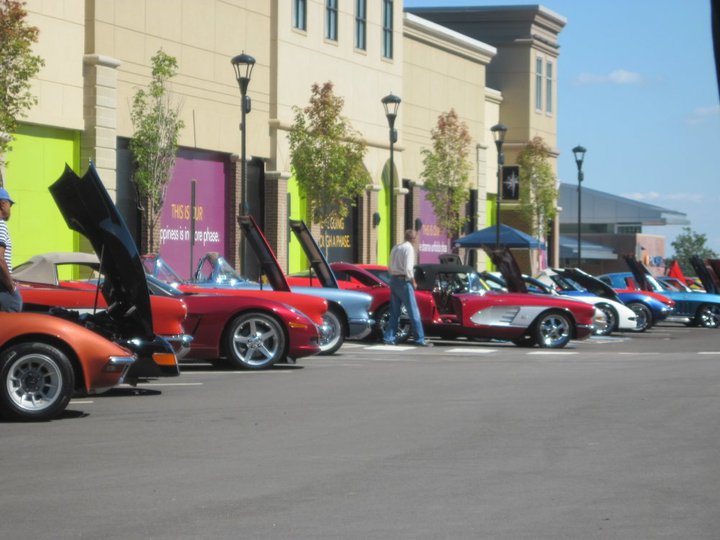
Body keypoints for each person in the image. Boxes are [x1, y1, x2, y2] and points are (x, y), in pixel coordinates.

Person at [384, 229, 432, 347]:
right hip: (403, 281)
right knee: (413, 311)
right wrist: (413, 281)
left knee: (395, 312)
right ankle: (419, 339)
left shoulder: (396, 247)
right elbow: (408, 269)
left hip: (394, 279)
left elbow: (389, 266)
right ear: (413, 239)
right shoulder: (409, 248)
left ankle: (389, 337)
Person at [0, 187, 22, 312]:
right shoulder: (1, 225)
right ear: (3, 204)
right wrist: (11, 287)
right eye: (10, 204)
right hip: (3, 289)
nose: (10, 208)